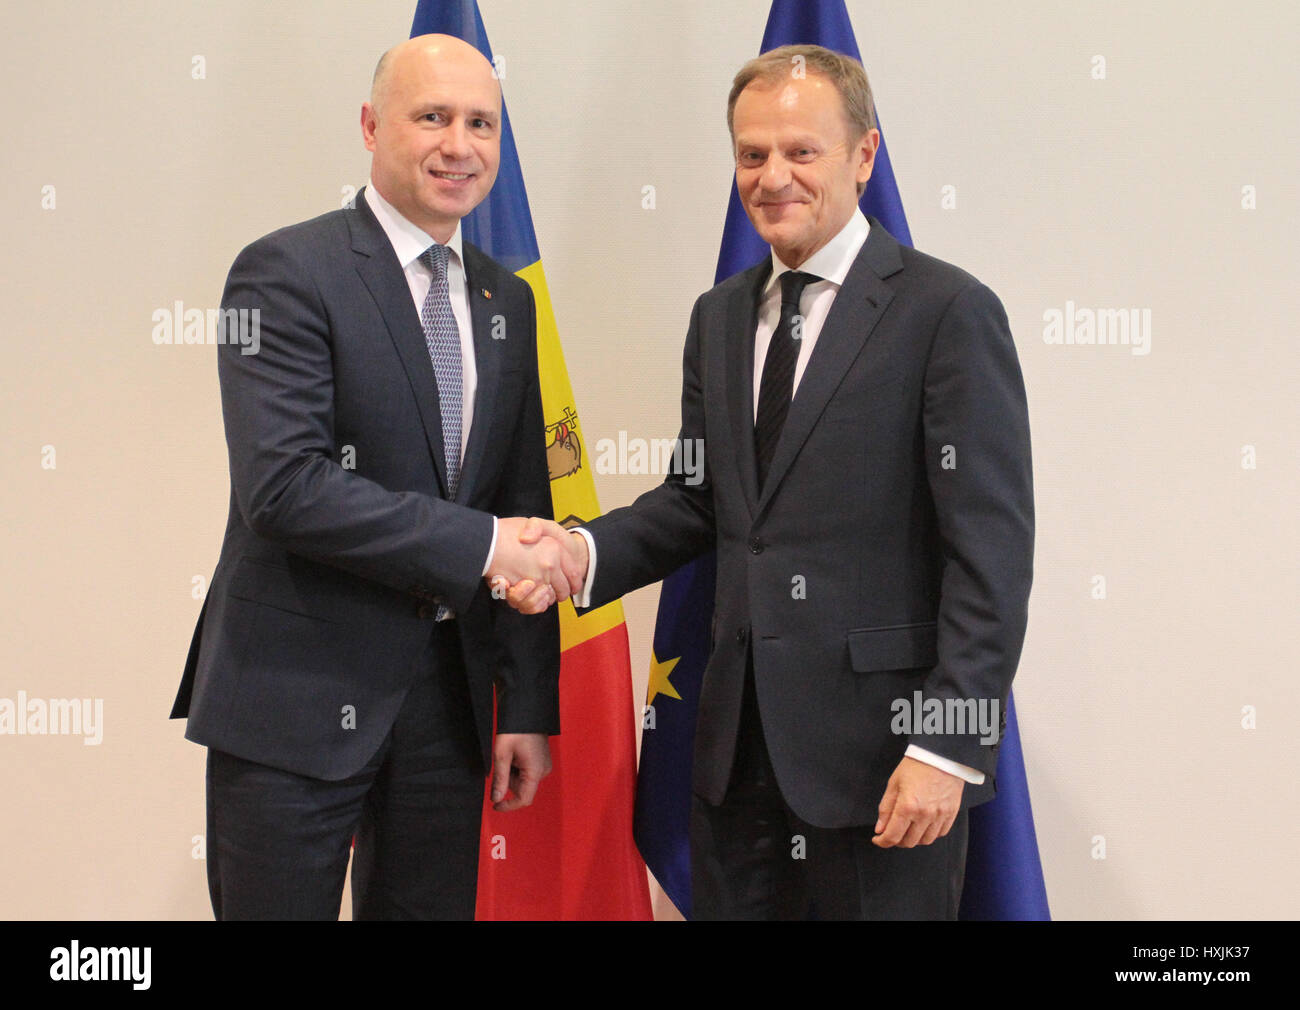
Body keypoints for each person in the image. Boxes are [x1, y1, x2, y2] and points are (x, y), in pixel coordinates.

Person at [504, 45, 1034, 920]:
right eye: (752, 155)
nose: (772, 176)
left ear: (864, 156)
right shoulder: (719, 315)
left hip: (885, 773)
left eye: (801, 151)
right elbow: (697, 500)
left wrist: (947, 749)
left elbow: (992, 555)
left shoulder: (948, 312)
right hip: (732, 767)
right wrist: (577, 553)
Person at [171, 34, 581, 920]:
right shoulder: (284, 272)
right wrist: (482, 545)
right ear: (369, 125)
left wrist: (526, 703)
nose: (458, 145)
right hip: (293, 697)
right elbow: (285, 488)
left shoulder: (504, 299)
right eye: (431, 116)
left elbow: (521, 499)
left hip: (449, 704)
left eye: (481, 123)